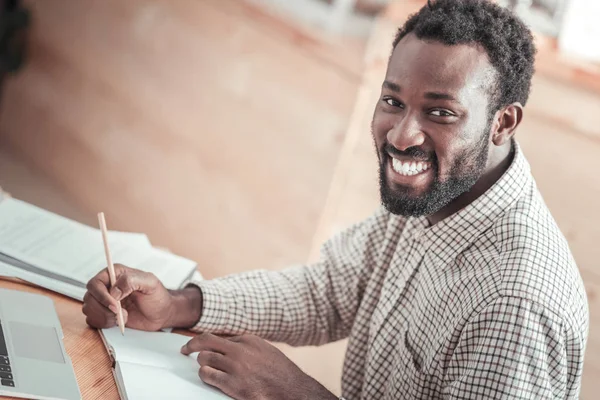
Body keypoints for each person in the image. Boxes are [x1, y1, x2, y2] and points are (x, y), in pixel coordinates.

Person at [82, 0, 589, 398]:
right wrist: (178, 305)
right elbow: (327, 291)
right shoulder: (439, 193)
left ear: (503, 122)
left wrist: (295, 394)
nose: (402, 135)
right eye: (393, 102)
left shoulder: (515, 302)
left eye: (440, 113)